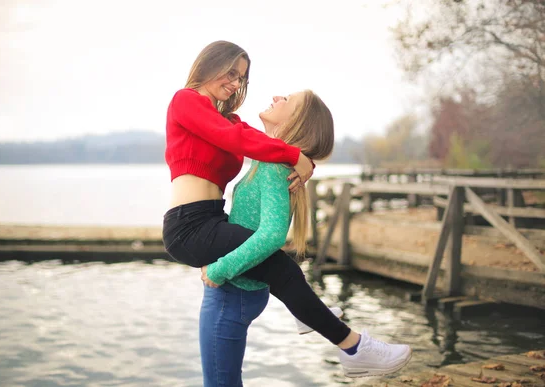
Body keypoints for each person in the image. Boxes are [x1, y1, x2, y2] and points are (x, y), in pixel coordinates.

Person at [162, 41, 412, 384]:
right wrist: (294, 156)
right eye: (232, 73)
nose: (236, 84)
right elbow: (236, 140)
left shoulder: (231, 120)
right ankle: (350, 344)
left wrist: (293, 157)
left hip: (212, 218)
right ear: (209, 64)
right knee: (282, 267)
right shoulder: (186, 101)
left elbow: (250, 140)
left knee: (280, 267)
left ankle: (321, 323)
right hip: (188, 223)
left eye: (242, 78)